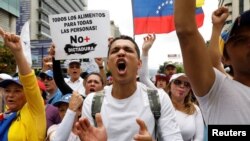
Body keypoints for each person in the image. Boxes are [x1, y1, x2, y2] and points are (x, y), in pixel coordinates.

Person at [76, 35, 183, 141]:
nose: (121, 53)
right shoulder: (91, 102)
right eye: (115, 51)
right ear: (108, 64)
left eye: (128, 50)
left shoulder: (159, 99)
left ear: (139, 64)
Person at [174, 0, 250, 124]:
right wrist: (216, 28)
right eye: (240, 40)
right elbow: (186, 31)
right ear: (225, 58)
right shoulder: (217, 90)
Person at [0, 27, 46, 140]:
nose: (10, 95)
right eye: (7, 91)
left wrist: (17, 52)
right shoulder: (4, 116)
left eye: (17, 91)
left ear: (28, 95)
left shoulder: (34, 112)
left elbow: (29, 82)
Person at [167, 73, 204, 141]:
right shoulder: (161, 106)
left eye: (187, 84)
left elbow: (199, 137)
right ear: (169, 86)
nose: (182, 86)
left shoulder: (195, 109)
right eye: (177, 82)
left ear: (189, 90)